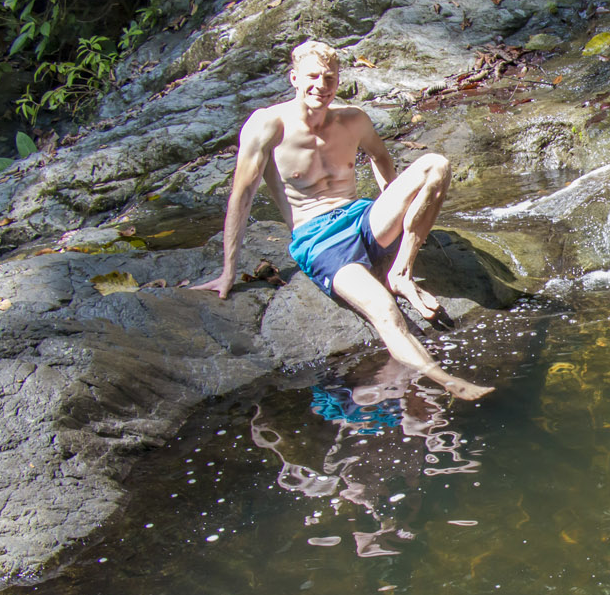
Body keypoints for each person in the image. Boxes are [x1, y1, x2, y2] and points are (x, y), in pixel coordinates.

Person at [195, 39, 492, 400]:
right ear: (293, 78)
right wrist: (228, 271)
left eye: (329, 78)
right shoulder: (267, 126)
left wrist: (400, 213)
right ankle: (447, 382)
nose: (320, 85)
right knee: (383, 309)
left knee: (437, 165)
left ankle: (401, 271)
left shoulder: (352, 120)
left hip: (362, 218)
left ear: (338, 82)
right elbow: (240, 198)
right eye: (312, 76)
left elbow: (382, 159)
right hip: (319, 241)